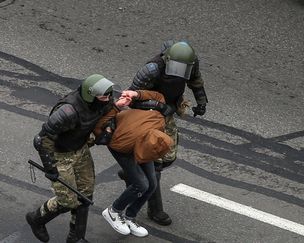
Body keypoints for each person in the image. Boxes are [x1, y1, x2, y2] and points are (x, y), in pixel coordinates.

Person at [121, 40, 208, 225]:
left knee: (168, 155)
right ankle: (155, 210)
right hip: (148, 114)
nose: (179, 71)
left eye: (183, 68)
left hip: (168, 109)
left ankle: (133, 171)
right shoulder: (152, 69)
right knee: (156, 161)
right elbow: (132, 97)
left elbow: (196, 81)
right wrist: (159, 106)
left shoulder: (191, 63)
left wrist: (201, 102)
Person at [25, 74, 118, 243]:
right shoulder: (68, 112)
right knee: (67, 201)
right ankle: (37, 218)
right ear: (91, 95)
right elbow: (42, 139)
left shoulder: (103, 102)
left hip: (80, 149)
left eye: (110, 95)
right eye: (104, 96)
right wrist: (50, 167)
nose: (109, 99)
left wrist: (108, 129)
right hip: (59, 155)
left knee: (85, 195)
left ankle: (76, 237)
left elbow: (111, 112)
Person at [94, 90, 173, 237]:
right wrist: (117, 107)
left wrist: (136, 94)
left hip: (143, 141)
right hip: (122, 148)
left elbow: (157, 96)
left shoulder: (157, 124)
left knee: (152, 184)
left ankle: (129, 217)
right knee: (141, 184)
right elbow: (99, 126)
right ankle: (113, 211)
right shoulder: (122, 142)